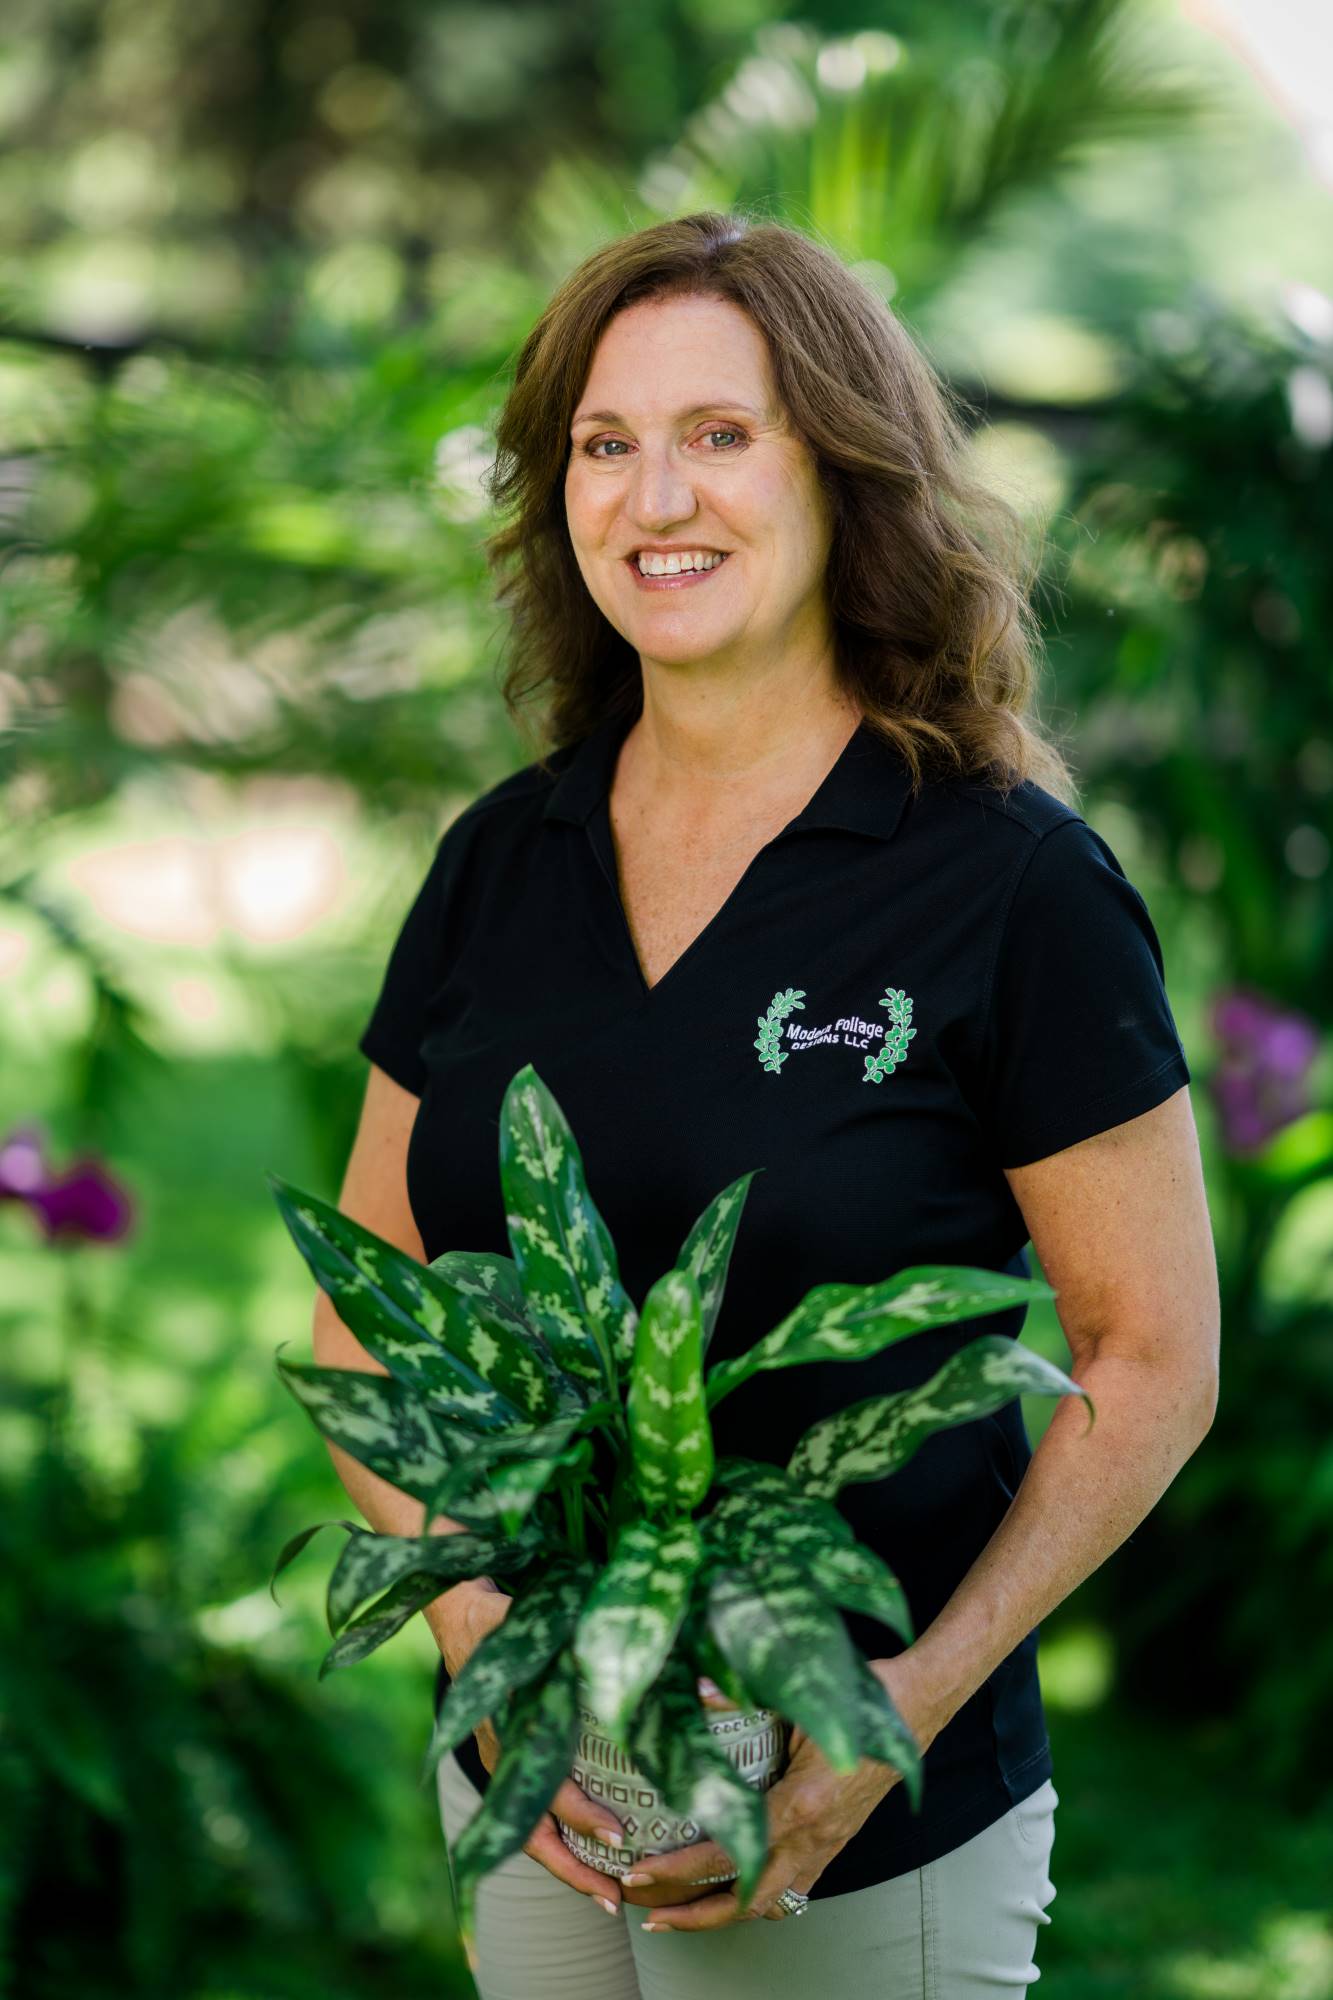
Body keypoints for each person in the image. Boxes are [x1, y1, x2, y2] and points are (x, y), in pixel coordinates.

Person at [314, 210, 1220, 1999]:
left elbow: (1145, 1357)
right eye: (604, 444)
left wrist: (902, 1702)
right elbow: (370, 1283)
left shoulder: (1006, 882)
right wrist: (475, 1624)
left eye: (720, 435)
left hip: (864, 1812)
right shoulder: (503, 860)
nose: (656, 499)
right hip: (538, 1791)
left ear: (843, 474)